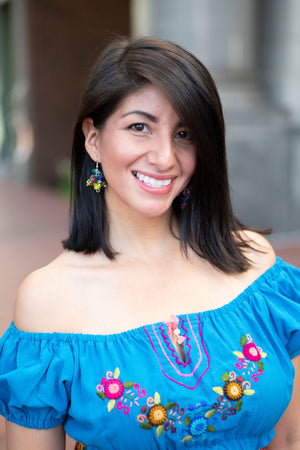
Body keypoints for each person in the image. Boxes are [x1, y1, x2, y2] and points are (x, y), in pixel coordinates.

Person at [0, 36, 299, 450]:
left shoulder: (256, 266)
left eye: (184, 134)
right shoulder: (47, 301)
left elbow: (288, 437)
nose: (164, 157)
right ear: (93, 139)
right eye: (140, 127)